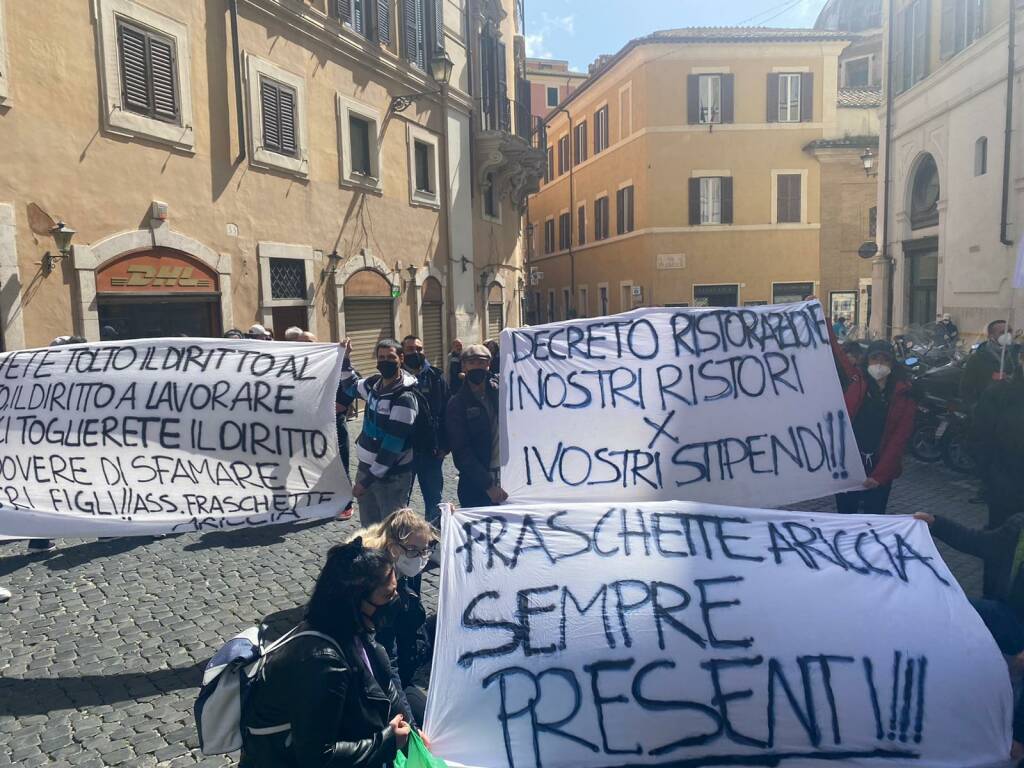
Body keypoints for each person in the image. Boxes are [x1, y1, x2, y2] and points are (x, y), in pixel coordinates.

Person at [240, 541, 413, 767]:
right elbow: (318, 757)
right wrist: (388, 741)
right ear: (355, 600)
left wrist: (413, 733)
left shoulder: (352, 629)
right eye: (387, 596)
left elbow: (385, 686)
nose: (396, 600)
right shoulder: (321, 663)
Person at [347, 509, 437, 698]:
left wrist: (448, 519)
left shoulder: (400, 566)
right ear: (394, 547)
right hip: (393, 682)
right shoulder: (379, 589)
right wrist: (408, 719)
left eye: (425, 549)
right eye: (413, 550)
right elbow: (388, 664)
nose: (421, 557)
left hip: (412, 646)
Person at [337, 340, 419, 525]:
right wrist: (345, 358)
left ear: (401, 358)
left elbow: (392, 446)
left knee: (390, 531)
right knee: (369, 529)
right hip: (366, 469)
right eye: (381, 357)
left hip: (392, 476)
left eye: (391, 357)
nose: (385, 361)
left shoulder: (405, 399)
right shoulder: (375, 384)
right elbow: (350, 385)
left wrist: (366, 482)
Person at [831, 338, 915, 515]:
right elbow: (836, 354)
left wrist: (879, 475)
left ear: (892, 363)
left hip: (880, 466)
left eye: (885, 359)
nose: (879, 364)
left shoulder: (904, 393)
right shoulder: (856, 381)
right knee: (846, 514)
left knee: (874, 516)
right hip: (850, 465)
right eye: (875, 358)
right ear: (867, 360)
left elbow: (899, 439)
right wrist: (823, 319)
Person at [445, 344, 507, 507]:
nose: (477, 366)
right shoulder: (457, 403)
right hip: (476, 484)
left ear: (489, 364)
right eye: (472, 363)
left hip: (508, 476)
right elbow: (461, 452)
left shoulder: (502, 392)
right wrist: (488, 486)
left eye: (481, 362)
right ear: (464, 366)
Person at [972, 345, 1024, 529]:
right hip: (1005, 484)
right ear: (1021, 359)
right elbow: (980, 436)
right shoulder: (998, 393)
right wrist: (990, 476)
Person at [401, 336, 448, 523]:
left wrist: (445, 445)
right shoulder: (396, 378)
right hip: (404, 451)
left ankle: (434, 539)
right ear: (403, 353)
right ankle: (402, 540)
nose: (416, 352)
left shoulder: (436, 377)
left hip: (432, 451)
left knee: (434, 499)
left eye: (419, 349)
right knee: (401, 501)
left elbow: (446, 412)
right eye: (411, 349)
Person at [961, 320, 1018, 407]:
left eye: (1010, 331)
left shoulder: (1016, 354)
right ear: (991, 336)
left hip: (1012, 410)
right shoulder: (978, 358)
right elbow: (966, 388)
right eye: (1003, 332)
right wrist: (976, 408)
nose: (1008, 335)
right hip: (988, 409)